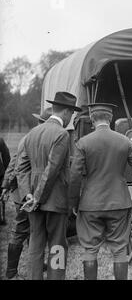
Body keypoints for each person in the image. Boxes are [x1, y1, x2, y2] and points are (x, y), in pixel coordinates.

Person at [69, 103, 132, 280]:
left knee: (90, 250)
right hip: (119, 202)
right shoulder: (124, 141)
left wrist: (73, 203)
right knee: (120, 250)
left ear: (92, 118)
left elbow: (74, 176)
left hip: (90, 204)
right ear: (110, 118)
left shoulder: (83, 143)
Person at [16, 91, 81, 280]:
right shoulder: (61, 134)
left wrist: (28, 195)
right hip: (55, 200)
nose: (72, 118)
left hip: (32, 202)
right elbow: (52, 170)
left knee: (36, 244)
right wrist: (38, 197)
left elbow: (22, 169)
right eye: (72, 113)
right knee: (57, 245)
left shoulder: (32, 133)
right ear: (67, 112)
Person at [1, 108, 52, 279]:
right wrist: (7, 185)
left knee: (34, 228)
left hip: (29, 192)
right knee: (21, 229)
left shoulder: (32, 137)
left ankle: (36, 263)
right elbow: (15, 165)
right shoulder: (30, 139)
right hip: (24, 193)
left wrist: (6, 185)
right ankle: (11, 272)